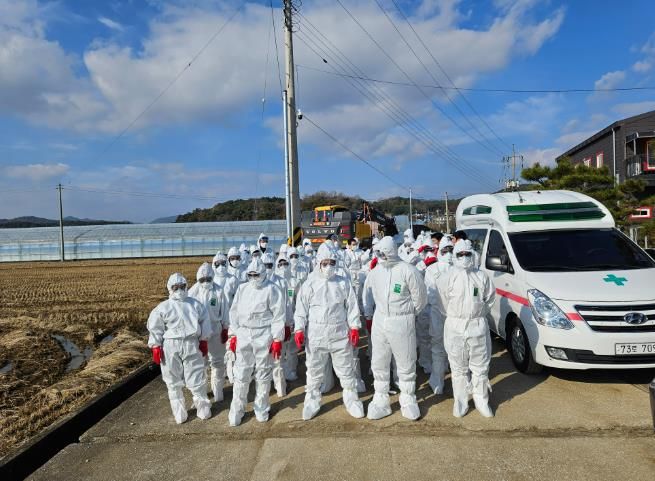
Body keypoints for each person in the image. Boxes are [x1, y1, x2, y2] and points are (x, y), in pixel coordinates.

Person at [294, 250, 365, 420]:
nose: (329, 267)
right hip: (316, 335)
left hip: (339, 333)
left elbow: (352, 306)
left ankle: (352, 400)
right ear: (318, 263)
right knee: (314, 371)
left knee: (346, 369)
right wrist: (299, 329)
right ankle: (312, 402)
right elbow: (301, 310)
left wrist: (354, 326)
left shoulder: (342, 282)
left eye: (332, 263)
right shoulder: (310, 284)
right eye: (325, 263)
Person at [363, 236, 427, 420]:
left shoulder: (408, 270)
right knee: (379, 361)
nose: (381, 256)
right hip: (380, 320)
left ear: (391, 252)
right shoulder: (376, 272)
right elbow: (367, 294)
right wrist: (369, 315)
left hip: (402, 320)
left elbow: (420, 298)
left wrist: (408, 315)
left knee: (405, 361)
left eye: (383, 253)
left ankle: (408, 398)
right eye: (378, 253)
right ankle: (380, 399)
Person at [227, 259, 286, 426]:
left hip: (264, 334)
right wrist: (234, 334)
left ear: (264, 274)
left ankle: (261, 409)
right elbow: (234, 312)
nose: (254, 278)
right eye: (251, 275)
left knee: (263, 374)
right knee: (241, 374)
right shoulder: (242, 288)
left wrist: (277, 338)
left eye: (257, 275)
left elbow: (278, 315)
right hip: (244, 333)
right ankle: (237, 410)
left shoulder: (272, 289)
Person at [147, 273, 212, 424]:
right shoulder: (163, 307)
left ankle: (203, 408)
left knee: (197, 377)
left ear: (186, 286)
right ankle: (179, 413)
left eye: (182, 286)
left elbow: (205, 321)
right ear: (169, 288)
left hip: (191, 342)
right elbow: (155, 327)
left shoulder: (195, 304)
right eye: (175, 287)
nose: (179, 290)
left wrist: (203, 340)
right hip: (170, 345)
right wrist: (155, 345)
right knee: (172, 379)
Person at [444, 240, 495, 418]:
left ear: (472, 255)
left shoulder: (481, 276)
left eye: (467, 254)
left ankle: (481, 400)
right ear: (455, 256)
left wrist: (478, 314)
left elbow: (489, 299)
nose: (464, 257)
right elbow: (442, 302)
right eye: (460, 254)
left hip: (477, 325)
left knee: (480, 366)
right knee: (458, 367)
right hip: (455, 326)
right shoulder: (448, 276)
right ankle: (461, 402)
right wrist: (455, 317)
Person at [188, 263, 230, 403]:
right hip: (199, 332)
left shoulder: (218, 291)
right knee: (200, 364)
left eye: (208, 279)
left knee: (217, 362)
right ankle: (202, 394)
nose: (205, 282)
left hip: (215, 329)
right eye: (202, 279)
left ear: (212, 277)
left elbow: (225, 310)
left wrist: (225, 327)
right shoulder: (192, 292)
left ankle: (218, 393)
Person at [424, 237, 454, 395]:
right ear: (439, 251)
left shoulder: (458, 268)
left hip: (455, 315)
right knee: (438, 348)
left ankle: (459, 382)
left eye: (451, 250)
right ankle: (438, 381)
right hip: (438, 314)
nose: (448, 253)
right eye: (445, 250)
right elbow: (430, 294)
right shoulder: (432, 270)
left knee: (456, 348)